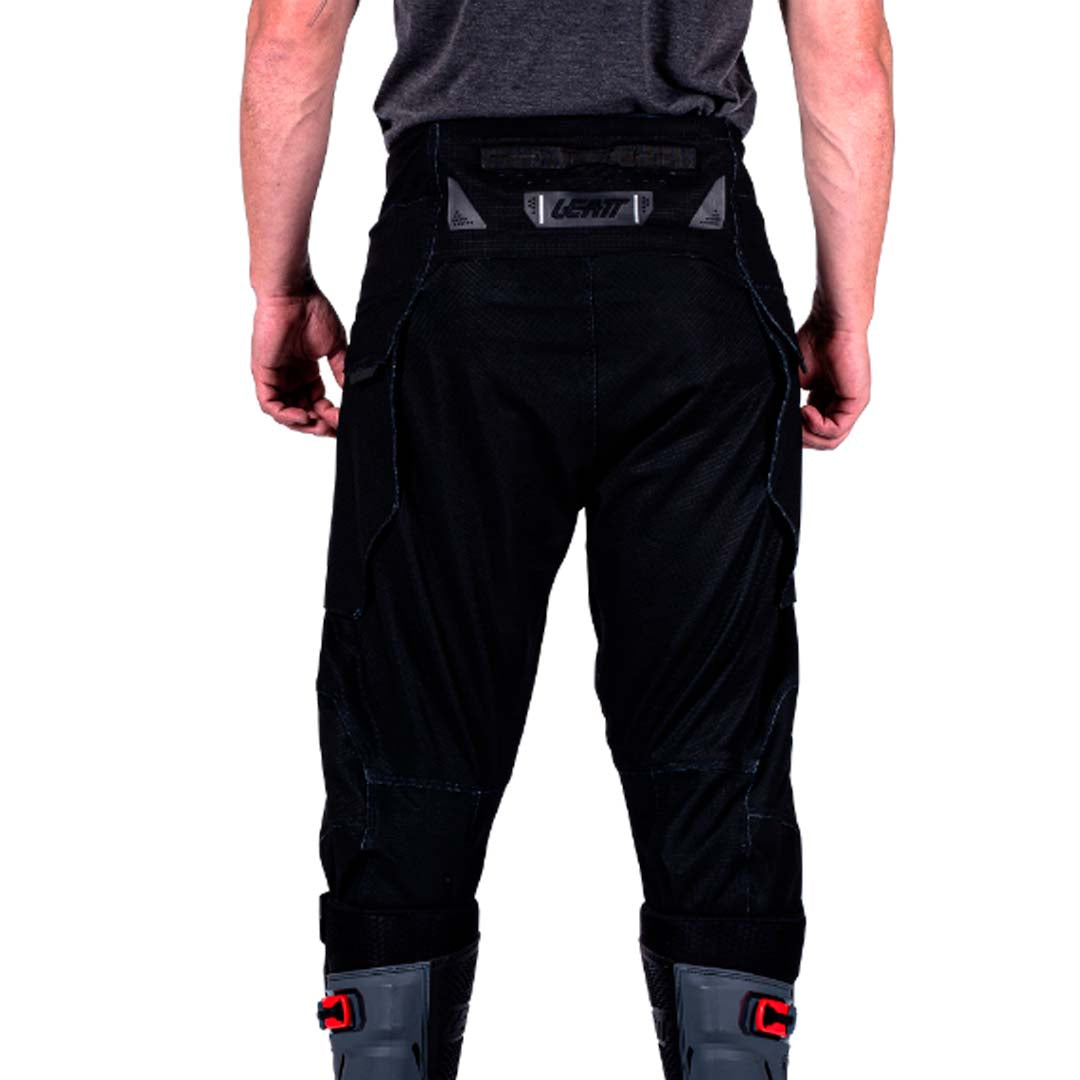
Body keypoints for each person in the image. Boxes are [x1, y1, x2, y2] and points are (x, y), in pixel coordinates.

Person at [240, 0, 893, 1075]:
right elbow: (848, 56)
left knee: (410, 741)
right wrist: (848, 311)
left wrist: (278, 283)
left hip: (457, 266)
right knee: (713, 748)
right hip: (693, 267)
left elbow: (293, 28)